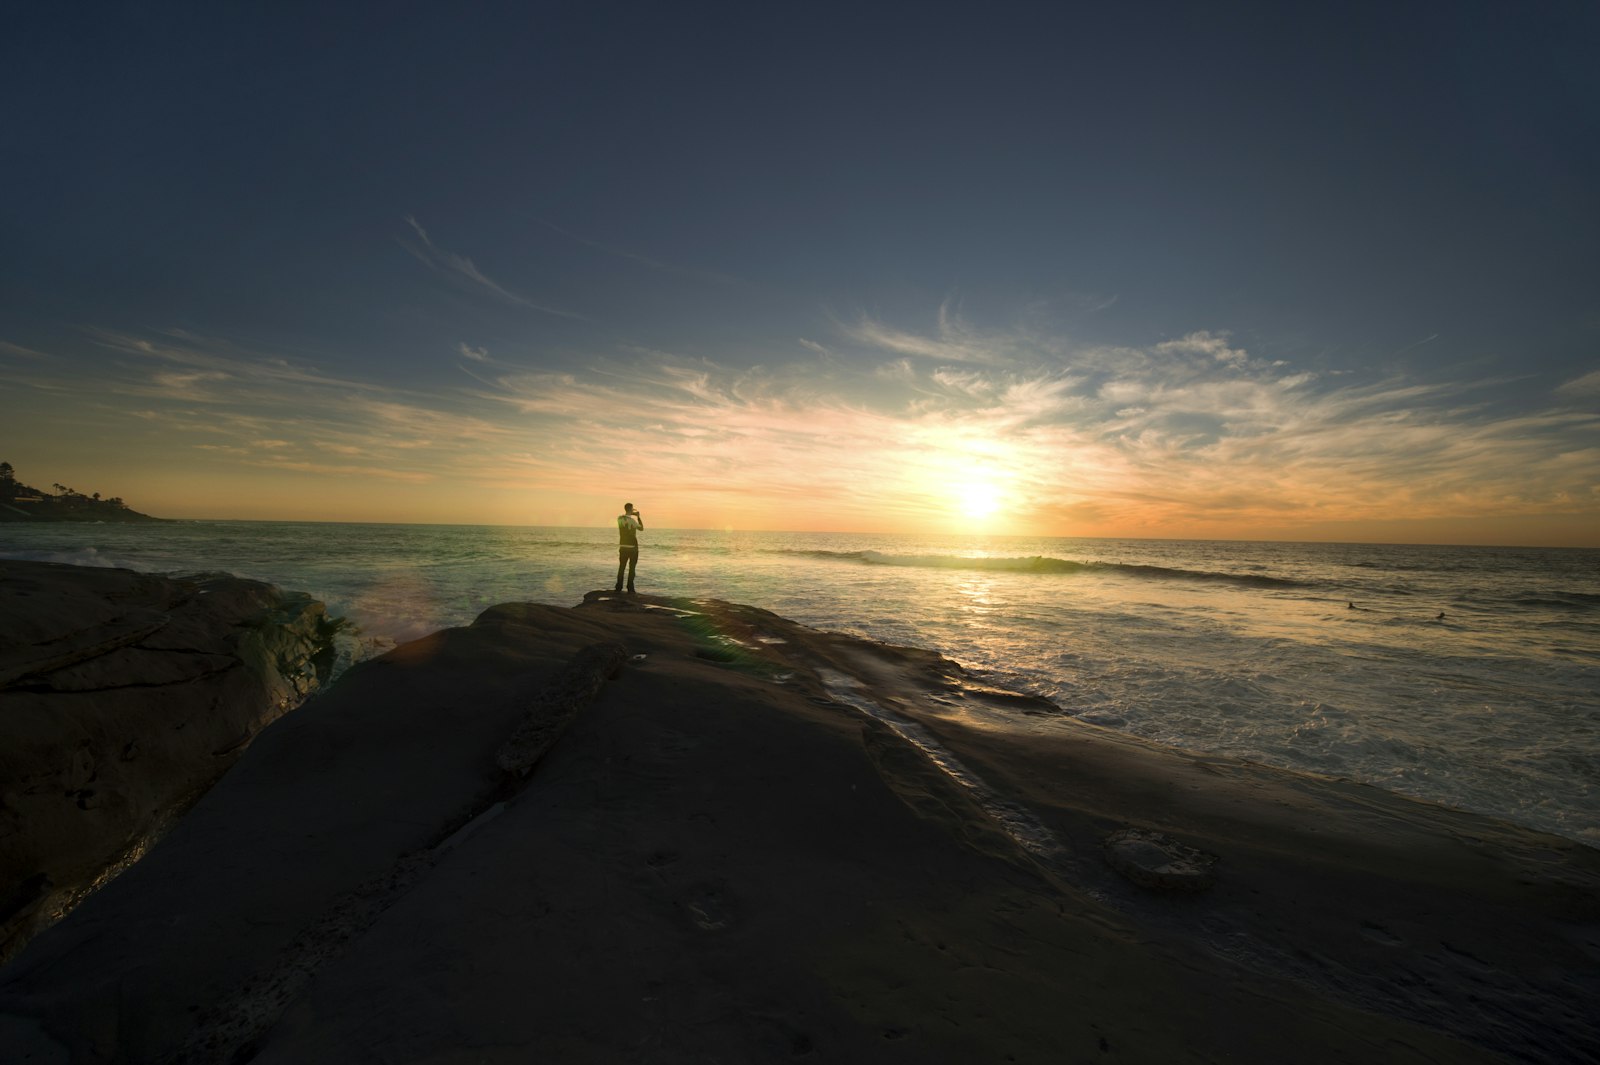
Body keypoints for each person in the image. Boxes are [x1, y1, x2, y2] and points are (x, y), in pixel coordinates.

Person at [615, 502, 643, 593]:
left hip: (623, 547)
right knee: (632, 568)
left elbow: (624, 518)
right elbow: (641, 528)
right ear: (630, 509)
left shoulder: (619, 519)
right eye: (632, 509)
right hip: (632, 547)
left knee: (621, 567)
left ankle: (618, 587)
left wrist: (630, 514)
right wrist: (638, 517)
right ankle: (630, 588)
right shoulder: (633, 521)